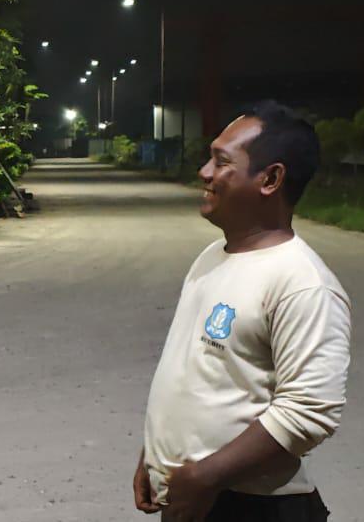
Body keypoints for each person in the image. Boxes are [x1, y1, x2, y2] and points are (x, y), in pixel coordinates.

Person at [134, 101, 351, 522]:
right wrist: (156, 453)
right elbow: (195, 371)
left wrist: (205, 478)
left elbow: (310, 410)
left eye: (221, 162)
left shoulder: (302, 283)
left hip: (253, 506)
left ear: (270, 179)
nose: (204, 172)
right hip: (197, 494)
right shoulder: (213, 256)